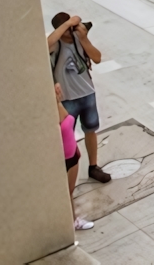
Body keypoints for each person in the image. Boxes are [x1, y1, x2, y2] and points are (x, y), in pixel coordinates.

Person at [47, 13, 112, 187]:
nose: (71, 31)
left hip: (87, 93)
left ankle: (93, 166)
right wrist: (68, 23)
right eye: (67, 29)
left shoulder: (79, 40)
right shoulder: (55, 45)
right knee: (67, 136)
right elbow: (45, 44)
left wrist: (83, 38)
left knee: (91, 129)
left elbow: (97, 58)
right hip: (68, 99)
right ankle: (66, 170)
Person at [56, 84, 93, 231]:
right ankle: (67, 225)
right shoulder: (46, 112)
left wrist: (57, 101)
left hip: (72, 155)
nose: (58, 89)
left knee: (69, 193)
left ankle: (73, 220)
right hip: (62, 159)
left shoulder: (57, 105)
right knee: (65, 194)